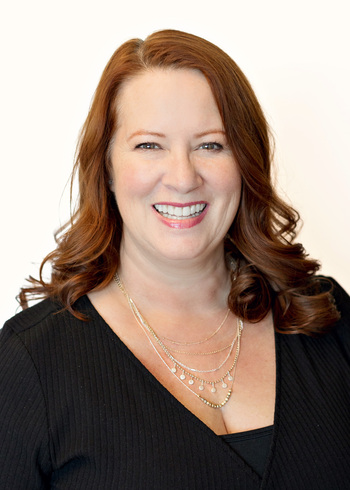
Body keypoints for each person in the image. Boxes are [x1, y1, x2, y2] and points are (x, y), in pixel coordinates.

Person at [0, 29, 349, 490]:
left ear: (245, 162)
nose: (183, 178)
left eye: (211, 144)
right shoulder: (31, 362)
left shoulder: (325, 316)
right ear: (105, 166)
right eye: (149, 145)